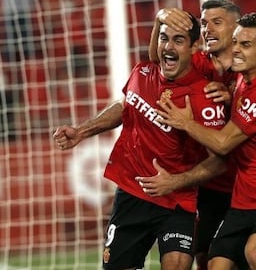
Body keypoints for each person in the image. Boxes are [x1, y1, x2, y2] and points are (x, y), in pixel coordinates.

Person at [52, 14, 228, 270]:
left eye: (178, 40)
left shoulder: (205, 97)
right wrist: (82, 131)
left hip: (177, 201)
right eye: (164, 38)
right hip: (132, 194)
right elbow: (126, 106)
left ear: (193, 48)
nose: (168, 46)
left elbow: (220, 162)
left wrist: (175, 181)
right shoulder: (142, 72)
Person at [138, 13, 256, 270]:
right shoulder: (243, 78)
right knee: (215, 265)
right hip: (244, 198)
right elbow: (158, 58)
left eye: (246, 45)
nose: (236, 50)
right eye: (236, 42)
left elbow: (222, 144)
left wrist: (185, 122)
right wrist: (160, 18)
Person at [148, 0, 241, 270]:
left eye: (217, 22)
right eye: (204, 23)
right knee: (204, 259)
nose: (208, 28)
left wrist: (234, 96)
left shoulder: (254, 65)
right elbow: (157, 58)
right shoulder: (198, 62)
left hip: (248, 182)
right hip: (210, 182)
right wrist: (161, 17)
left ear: (237, 28)